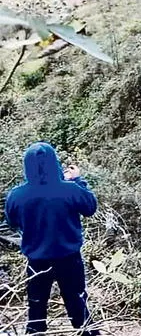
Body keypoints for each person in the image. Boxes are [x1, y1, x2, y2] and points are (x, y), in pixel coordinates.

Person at [4, 142, 99, 335]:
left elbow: (12, 221)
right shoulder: (70, 189)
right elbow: (90, 207)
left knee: (36, 311)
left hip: (36, 260)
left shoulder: (17, 195)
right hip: (69, 259)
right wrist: (78, 180)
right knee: (78, 306)